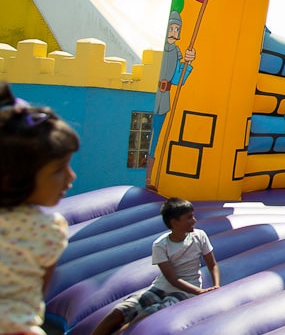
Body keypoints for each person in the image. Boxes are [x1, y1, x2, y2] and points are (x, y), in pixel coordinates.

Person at [0, 82, 79, 335]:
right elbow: (37, 297)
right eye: (59, 169)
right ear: (13, 176)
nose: (71, 177)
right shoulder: (47, 229)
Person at [91, 197, 220, 334]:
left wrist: (216, 286)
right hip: (160, 287)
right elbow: (172, 278)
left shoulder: (200, 236)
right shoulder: (160, 245)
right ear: (174, 222)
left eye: (193, 216)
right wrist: (199, 291)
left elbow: (212, 264)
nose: (194, 220)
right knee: (120, 311)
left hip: (186, 291)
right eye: (189, 218)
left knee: (146, 315)